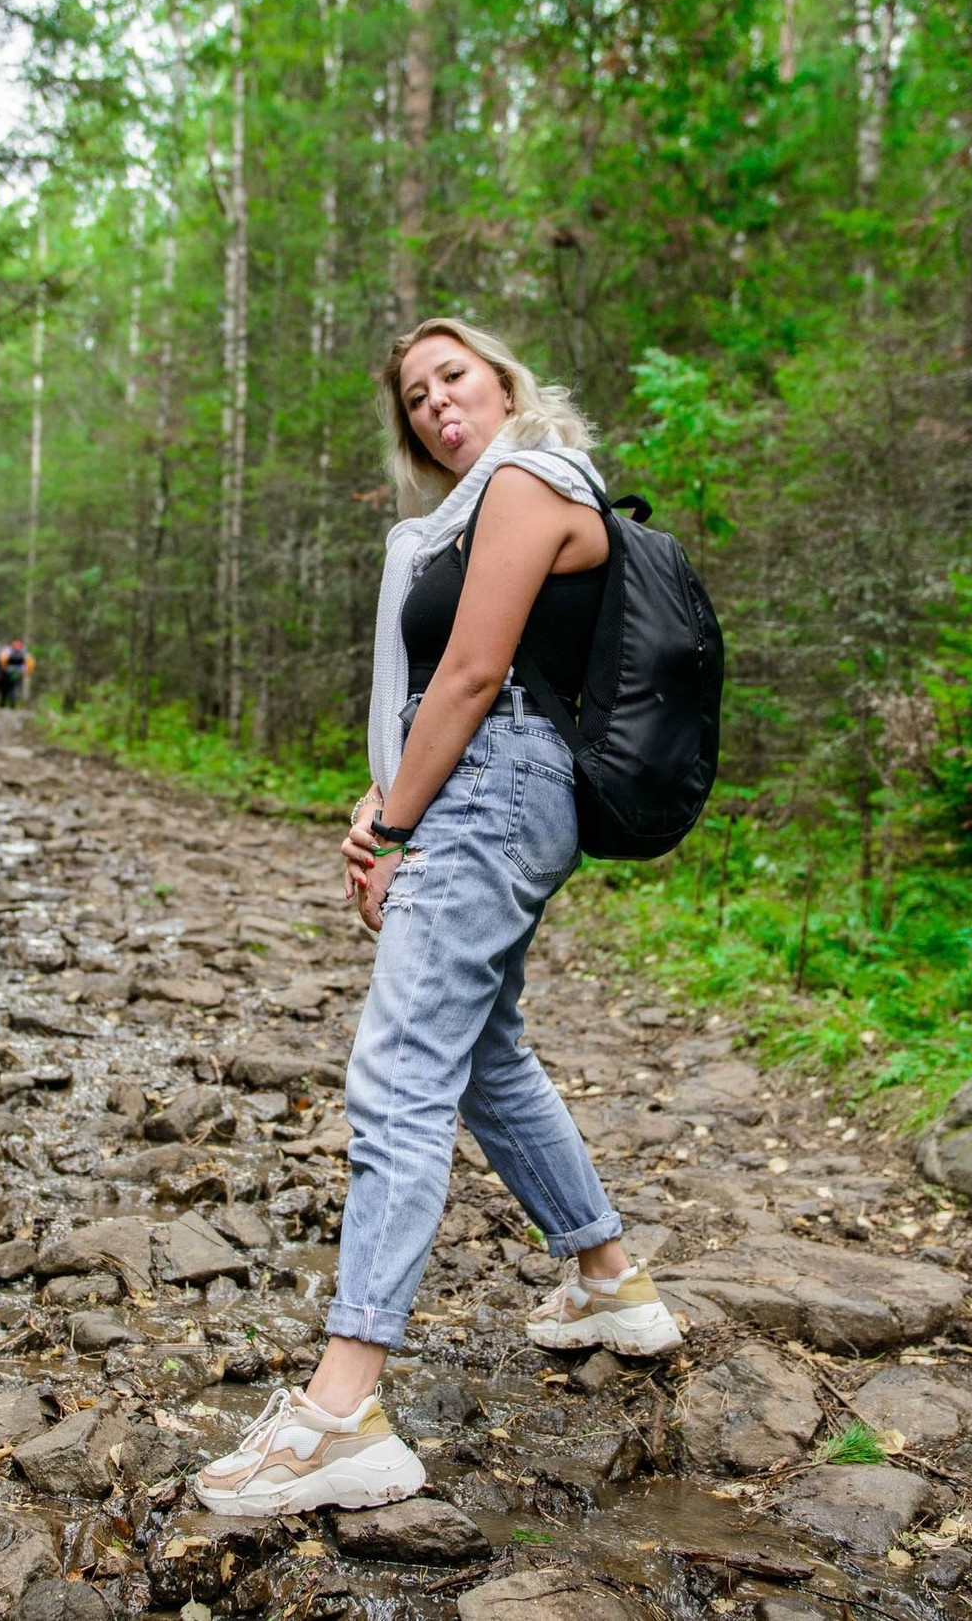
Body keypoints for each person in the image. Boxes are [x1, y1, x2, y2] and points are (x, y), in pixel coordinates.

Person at [194, 318, 679, 1520]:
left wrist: (399, 827)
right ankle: (610, 1277)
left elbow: (472, 678)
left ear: (506, 380)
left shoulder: (527, 479)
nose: (433, 403)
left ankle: (340, 1412)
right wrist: (383, 802)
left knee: (400, 1070)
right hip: (477, 787)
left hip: (495, 787)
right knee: (480, 1056)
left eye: (451, 375)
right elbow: (431, 691)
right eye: (414, 396)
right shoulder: (456, 521)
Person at [0, 638, 28, 708]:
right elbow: (28, 663)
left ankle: (3, 703)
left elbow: (2, 660)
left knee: (5, 688)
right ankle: (13, 703)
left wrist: (2, 668)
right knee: (15, 687)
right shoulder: (24, 651)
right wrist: (25, 672)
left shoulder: (8, 650)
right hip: (18, 673)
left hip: (7, 672)